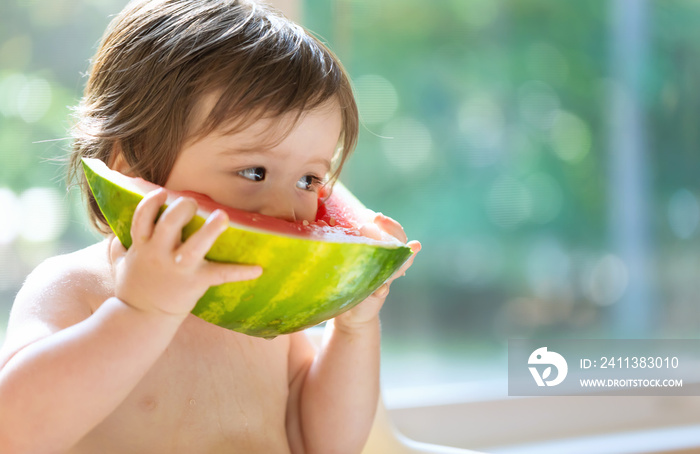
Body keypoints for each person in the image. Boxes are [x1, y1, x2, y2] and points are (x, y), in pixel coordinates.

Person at [0, 0, 420, 452]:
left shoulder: (270, 314)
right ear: (133, 168)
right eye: (254, 172)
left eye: (308, 180)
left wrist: (353, 329)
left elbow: (324, 444)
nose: (284, 211)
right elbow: (14, 432)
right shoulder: (77, 288)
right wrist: (141, 313)